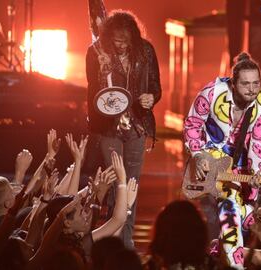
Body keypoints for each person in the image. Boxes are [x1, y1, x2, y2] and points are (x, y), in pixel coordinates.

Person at [184, 52, 261, 269]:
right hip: (209, 160)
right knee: (229, 209)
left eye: (256, 83)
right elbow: (193, 124)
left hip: (240, 164)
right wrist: (198, 155)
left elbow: (257, 145)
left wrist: (257, 173)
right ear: (232, 83)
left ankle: (220, 252)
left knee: (244, 217)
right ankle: (233, 264)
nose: (252, 89)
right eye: (245, 84)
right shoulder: (211, 93)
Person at [85, 10, 161, 249]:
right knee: (115, 184)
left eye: (125, 41)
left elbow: (156, 87)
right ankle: (112, 243)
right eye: (116, 40)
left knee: (131, 185)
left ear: (133, 38)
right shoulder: (97, 52)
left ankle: (126, 244)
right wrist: (102, 72)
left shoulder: (146, 51)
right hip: (109, 129)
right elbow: (92, 94)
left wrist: (150, 98)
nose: (120, 46)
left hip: (137, 127)